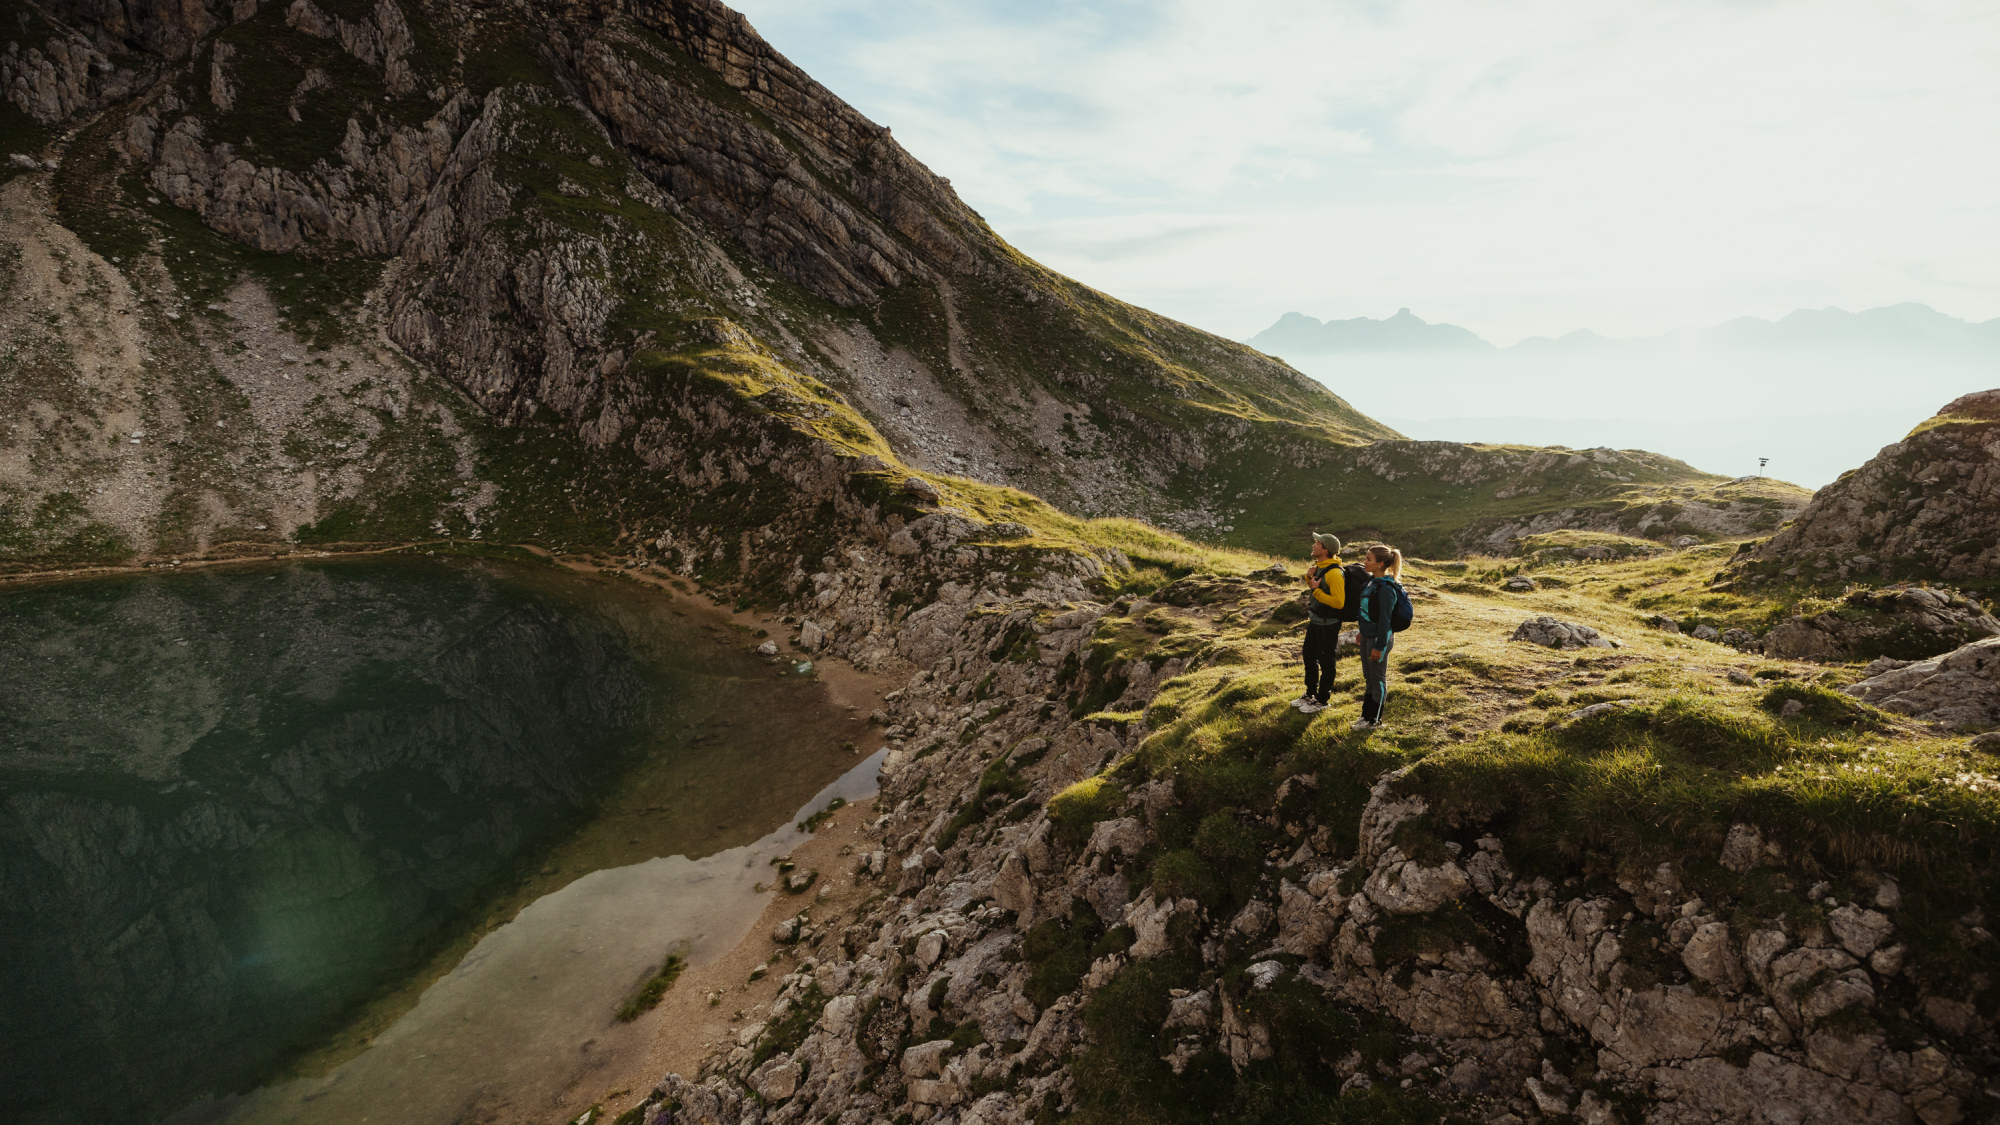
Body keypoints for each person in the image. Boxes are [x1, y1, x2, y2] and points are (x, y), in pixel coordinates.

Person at [1353, 543, 1404, 731]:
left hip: (1379, 640)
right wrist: (1361, 631)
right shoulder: (1372, 583)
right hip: (1367, 636)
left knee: (1378, 678)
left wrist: (1380, 646)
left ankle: (1374, 720)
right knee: (1369, 677)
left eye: (1368, 559)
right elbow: (1368, 611)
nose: (1364, 562)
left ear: (1380, 564)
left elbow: (1385, 621)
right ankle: (1366, 716)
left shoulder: (1386, 589)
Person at [1292, 532, 1344, 714]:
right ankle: (1310, 693)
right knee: (1308, 655)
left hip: (1328, 623)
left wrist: (1315, 591)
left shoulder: (1335, 573)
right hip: (1316, 621)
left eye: (1317, 543)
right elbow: (1316, 586)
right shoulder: (1320, 567)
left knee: (1326, 660)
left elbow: (1339, 602)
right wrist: (1309, 578)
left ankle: (1322, 700)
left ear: (1325, 550)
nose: (1313, 545)